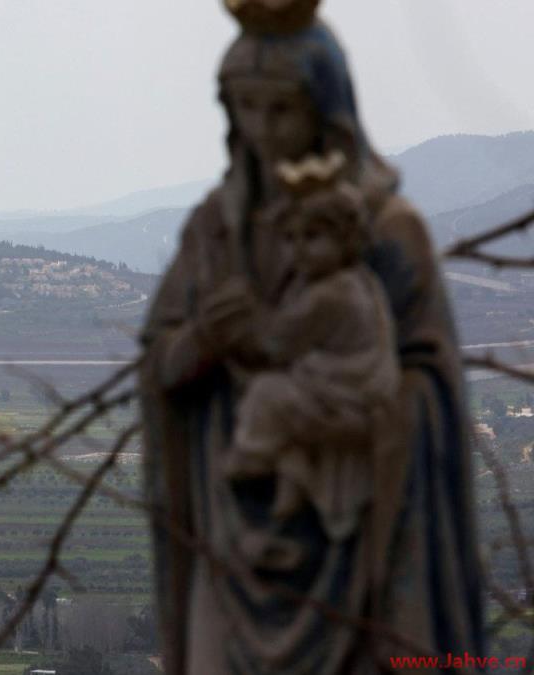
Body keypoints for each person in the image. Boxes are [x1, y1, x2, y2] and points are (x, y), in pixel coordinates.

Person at [138, 2, 483, 673]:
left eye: (282, 110)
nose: (264, 132)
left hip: (354, 550)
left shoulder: (385, 231)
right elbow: (163, 369)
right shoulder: (214, 231)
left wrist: (351, 407)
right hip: (233, 544)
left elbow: (430, 385)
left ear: (326, 112)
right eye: (246, 108)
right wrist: (204, 338)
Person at [224, 174, 399, 544]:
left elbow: (278, 341)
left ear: (345, 239)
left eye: (312, 238)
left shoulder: (330, 295)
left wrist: (245, 317)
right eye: (291, 239)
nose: (299, 250)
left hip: (344, 388)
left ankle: (254, 454)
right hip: (351, 383)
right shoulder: (358, 280)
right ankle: (293, 483)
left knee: (267, 392)